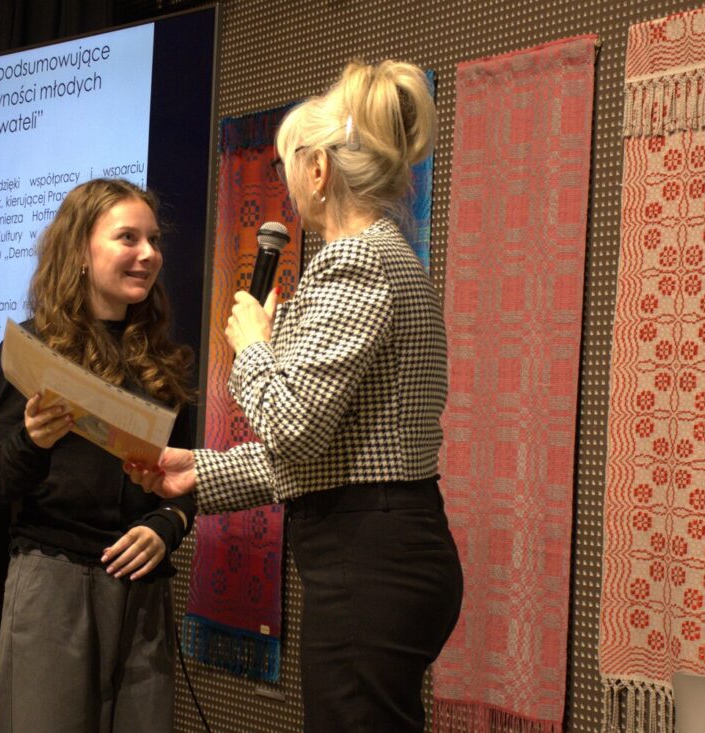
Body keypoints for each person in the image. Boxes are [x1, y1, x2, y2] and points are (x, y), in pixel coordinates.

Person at [126, 60, 464, 733]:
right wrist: (198, 473)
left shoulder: (353, 260)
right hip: (390, 548)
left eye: (286, 167)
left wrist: (253, 344)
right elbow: (329, 452)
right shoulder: (388, 253)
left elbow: (292, 429)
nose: (285, 183)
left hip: (368, 558)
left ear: (317, 170)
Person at [0, 178, 197, 733]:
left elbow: (184, 483)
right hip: (53, 589)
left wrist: (165, 527)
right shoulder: (34, 352)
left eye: (153, 240)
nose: (148, 254)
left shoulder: (166, 363)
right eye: (128, 238)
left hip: (142, 595)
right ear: (79, 252)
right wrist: (32, 440)